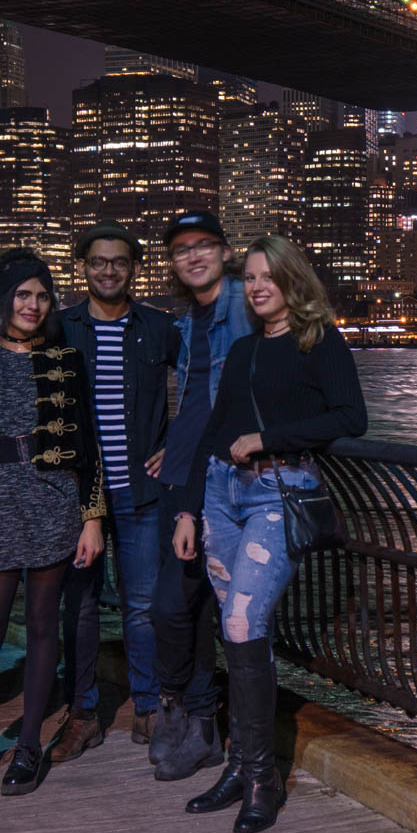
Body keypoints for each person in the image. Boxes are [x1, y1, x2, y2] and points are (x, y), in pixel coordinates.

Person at [174, 234, 367, 833]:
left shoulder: (319, 342)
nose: (257, 287)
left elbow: (350, 418)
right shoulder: (243, 351)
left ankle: (262, 778)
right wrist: (186, 510)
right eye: (250, 278)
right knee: (236, 627)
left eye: (268, 277)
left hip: (276, 496)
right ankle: (241, 765)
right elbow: (212, 433)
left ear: (291, 281)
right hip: (220, 497)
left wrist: (269, 438)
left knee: (240, 621)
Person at [0, 249, 106, 797]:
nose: (33, 305)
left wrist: (92, 518)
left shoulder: (68, 360)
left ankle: (29, 745)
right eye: (23, 295)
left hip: (54, 501)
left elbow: (90, 446)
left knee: (43, 626)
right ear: (4, 299)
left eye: (42, 296)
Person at [51, 222, 178, 762]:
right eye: (99, 261)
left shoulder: (160, 328)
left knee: (143, 605)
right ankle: (83, 714)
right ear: (83, 266)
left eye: (119, 262)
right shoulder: (59, 328)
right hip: (78, 498)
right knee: (77, 606)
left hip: (141, 494)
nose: (108, 270)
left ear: (134, 269)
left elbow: (202, 391)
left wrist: (178, 446)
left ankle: (148, 707)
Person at [145, 210, 253, 781]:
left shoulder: (246, 300)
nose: (192, 255)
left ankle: (198, 720)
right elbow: (194, 403)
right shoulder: (186, 322)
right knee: (181, 605)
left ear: (224, 250)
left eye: (203, 244)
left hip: (225, 481)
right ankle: (188, 713)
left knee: (189, 605)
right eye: (181, 248)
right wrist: (172, 442)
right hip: (181, 476)